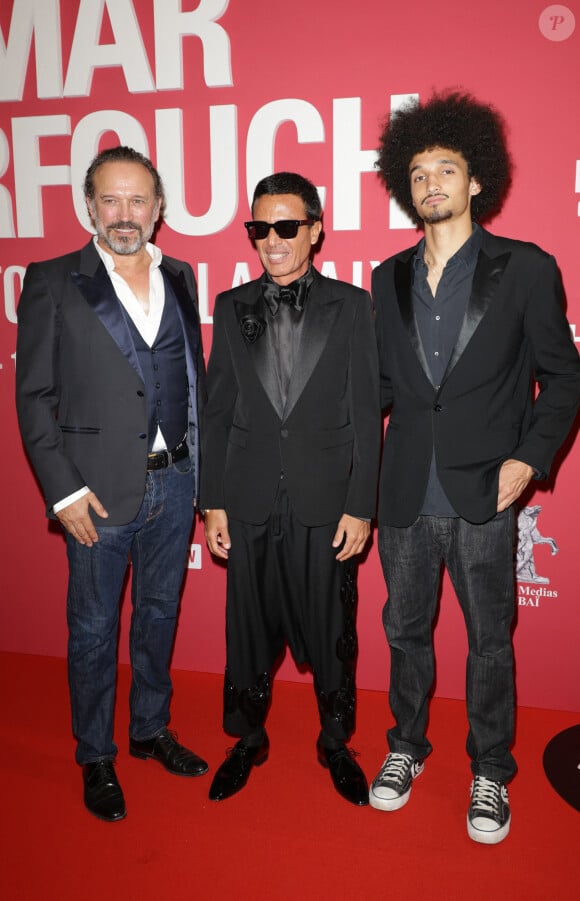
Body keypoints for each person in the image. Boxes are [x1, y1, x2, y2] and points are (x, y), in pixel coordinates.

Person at [369, 92, 580, 844]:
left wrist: (528, 459)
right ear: (405, 183)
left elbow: (564, 378)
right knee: (404, 631)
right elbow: (383, 393)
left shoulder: (524, 268)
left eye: (445, 169)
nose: (431, 183)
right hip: (402, 493)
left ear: (475, 180)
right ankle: (406, 746)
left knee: (491, 638)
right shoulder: (384, 277)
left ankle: (490, 766)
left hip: (485, 496)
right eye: (418, 172)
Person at [16, 146, 208, 822]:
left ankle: (150, 729)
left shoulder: (181, 274)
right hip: (94, 492)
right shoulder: (50, 279)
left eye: (138, 200)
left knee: (160, 616)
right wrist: (63, 491)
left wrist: (202, 478)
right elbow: (34, 394)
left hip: (176, 483)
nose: (125, 214)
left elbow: (192, 382)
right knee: (93, 628)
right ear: (89, 206)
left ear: (159, 209)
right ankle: (96, 753)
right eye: (110, 200)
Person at [201, 172, 380, 805]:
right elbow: (216, 410)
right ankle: (247, 739)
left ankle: (335, 742)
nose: (271, 242)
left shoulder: (353, 307)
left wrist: (362, 506)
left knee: (333, 628)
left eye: (286, 227)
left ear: (315, 229)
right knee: (244, 628)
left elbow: (366, 415)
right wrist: (213, 499)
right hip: (247, 499)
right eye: (259, 229)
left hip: (324, 500)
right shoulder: (230, 305)